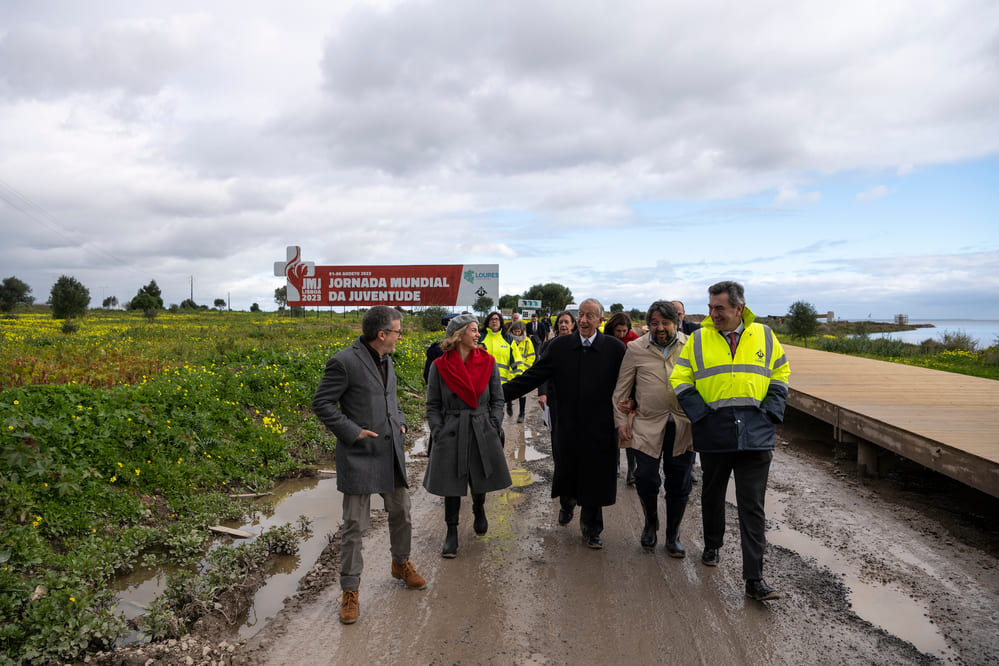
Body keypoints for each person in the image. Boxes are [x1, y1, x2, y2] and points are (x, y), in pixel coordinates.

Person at [670, 281, 790, 602]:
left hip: (757, 433)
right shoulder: (698, 339)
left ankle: (755, 580)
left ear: (739, 308)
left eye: (719, 308)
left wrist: (771, 413)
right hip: (715, 432)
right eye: (710, 307)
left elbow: (780, 372)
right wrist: (701, 416)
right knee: (713, 494)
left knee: (753, 506)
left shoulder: (764, 335)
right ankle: (712, 544)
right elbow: (680, 379)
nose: (713, 314)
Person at [312, 305, 426, 625]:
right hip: (359, 455)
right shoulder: (344, 362)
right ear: (381, 334)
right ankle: (350, 591)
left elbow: (392, 400)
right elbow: (321, 403)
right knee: (354, 526)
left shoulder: (386, 359)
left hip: (389, 452)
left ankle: (400, 564)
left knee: (402, 511)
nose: (400, 337)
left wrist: (400, 420)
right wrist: (352, 432)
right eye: (397, 332)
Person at [503, 299, 626, 549]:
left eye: (589, 316)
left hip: (600, 425)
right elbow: (533, 375)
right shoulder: (559, 346)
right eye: (580, 315)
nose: (582, 320)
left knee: (595, 474)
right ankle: (567, 502)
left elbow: (628, 383)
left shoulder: (614, 349)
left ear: (601, 321)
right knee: (568, 468)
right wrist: (498, 393)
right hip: (567, 422)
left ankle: (592, 528)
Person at [424, 314, 512, 558]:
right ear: (458, 334)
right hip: (451, 430)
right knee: (451, 484)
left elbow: (498, 399)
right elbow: (432, 404)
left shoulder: (488, 362)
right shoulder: (439, 366)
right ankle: (451, 532)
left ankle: (479, 507)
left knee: (480, 474)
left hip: (481, 426)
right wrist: (438, 430)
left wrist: (494, 424)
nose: (477, 335)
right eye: (472, 330)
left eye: (477, 330)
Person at [613, 301, 694, 556]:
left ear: (676, 323)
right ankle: (650, 522)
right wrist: (621, 423)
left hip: (682, 425)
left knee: (679, 483)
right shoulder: (636, 348)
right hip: (647, 424)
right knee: (646, 478)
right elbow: (621, 390)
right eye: (654, 323)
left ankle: (673, 534)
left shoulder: (691, 346)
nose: (659, 328)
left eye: (665, 323)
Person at [605, 312, 640, 484]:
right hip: (609, 391)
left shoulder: (636, 343)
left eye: (624, 331)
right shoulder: (605, 341)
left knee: (629, 433)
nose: (621, 334)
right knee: (613, 431)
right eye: (617, 331)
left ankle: (632, 471)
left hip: (629, 394)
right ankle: (615, 465)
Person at [479, 311, 525, 418]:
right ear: (487, 322)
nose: (494, 321)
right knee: (482, 415)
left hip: (501, 385)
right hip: (481, 384)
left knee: (497, 415)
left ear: (501, 322)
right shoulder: (480, 337)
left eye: (497, 319)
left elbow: (517, 361)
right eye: (492, 319)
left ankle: (496, 433)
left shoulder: (508, 339)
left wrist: (518, 378)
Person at [507, 319, 536, 423]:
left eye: (519, 331)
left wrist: (525, 368)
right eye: (515, 331)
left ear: (522, 330)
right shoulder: (508, 340)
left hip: (522, 372)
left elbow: (531, 356)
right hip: (510, 372)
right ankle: (509, 404)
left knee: (522, 393)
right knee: (509, 391)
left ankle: (522, 413)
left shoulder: (527, 341)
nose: (517, 333)